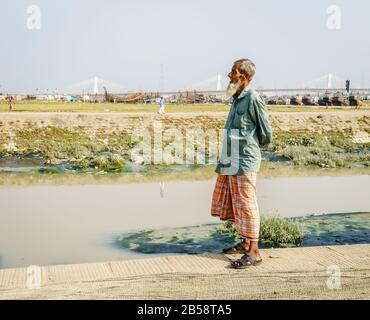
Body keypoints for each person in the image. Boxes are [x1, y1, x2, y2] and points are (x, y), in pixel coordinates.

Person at [211, 58, 272, 268]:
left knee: (247, 204)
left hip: (244, 159)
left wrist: (249, 147)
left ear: (243, 76)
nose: (229, 75)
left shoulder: (253, 98)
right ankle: (245, 243)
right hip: (230, 158)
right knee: (236, 203)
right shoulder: (237, 98)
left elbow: (266, 133)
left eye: (233, 71)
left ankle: (254, 252)